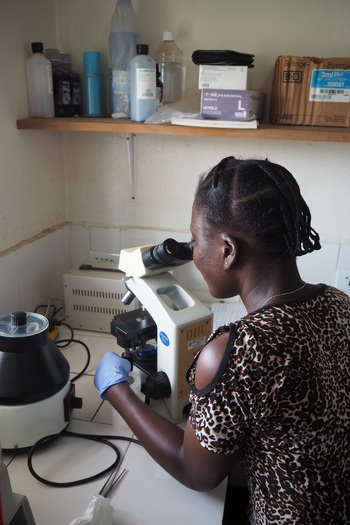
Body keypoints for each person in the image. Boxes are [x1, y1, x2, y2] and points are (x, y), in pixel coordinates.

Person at [94, 157, 350, 524]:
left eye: (197, 240)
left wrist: (115, 390)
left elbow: (196, 472)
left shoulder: (242, 349)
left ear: (228, 251)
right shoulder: (339, 303)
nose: (195, 254)